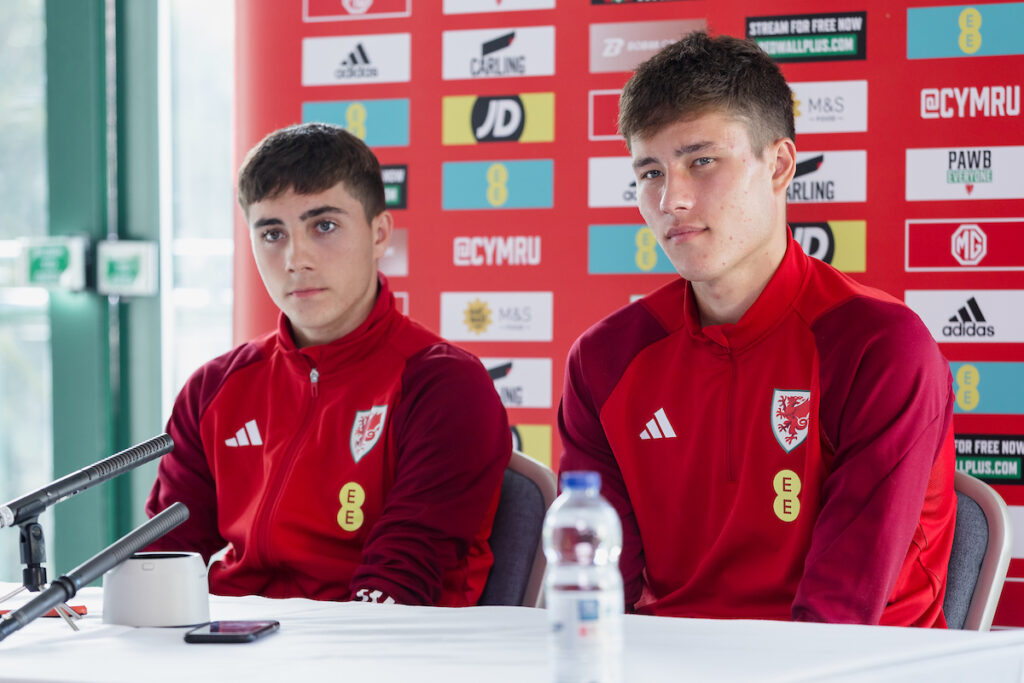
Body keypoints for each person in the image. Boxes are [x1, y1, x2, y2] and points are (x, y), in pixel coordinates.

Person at [558, 32, 956, 626]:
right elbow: (596, 600)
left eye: (702, 162)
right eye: (649, 172)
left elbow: (840, 616)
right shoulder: (604, 360)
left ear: (779, 165)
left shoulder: (878, 346)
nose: (672, 200)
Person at [146, 122, 511, 606]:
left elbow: (398, 587)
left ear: (379, 234)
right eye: (273, 233)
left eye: (324, 226)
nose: (296, 259)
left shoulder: (444, 385)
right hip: (230, 649)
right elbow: (163, 559)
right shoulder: (213, 388)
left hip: (376, 654)